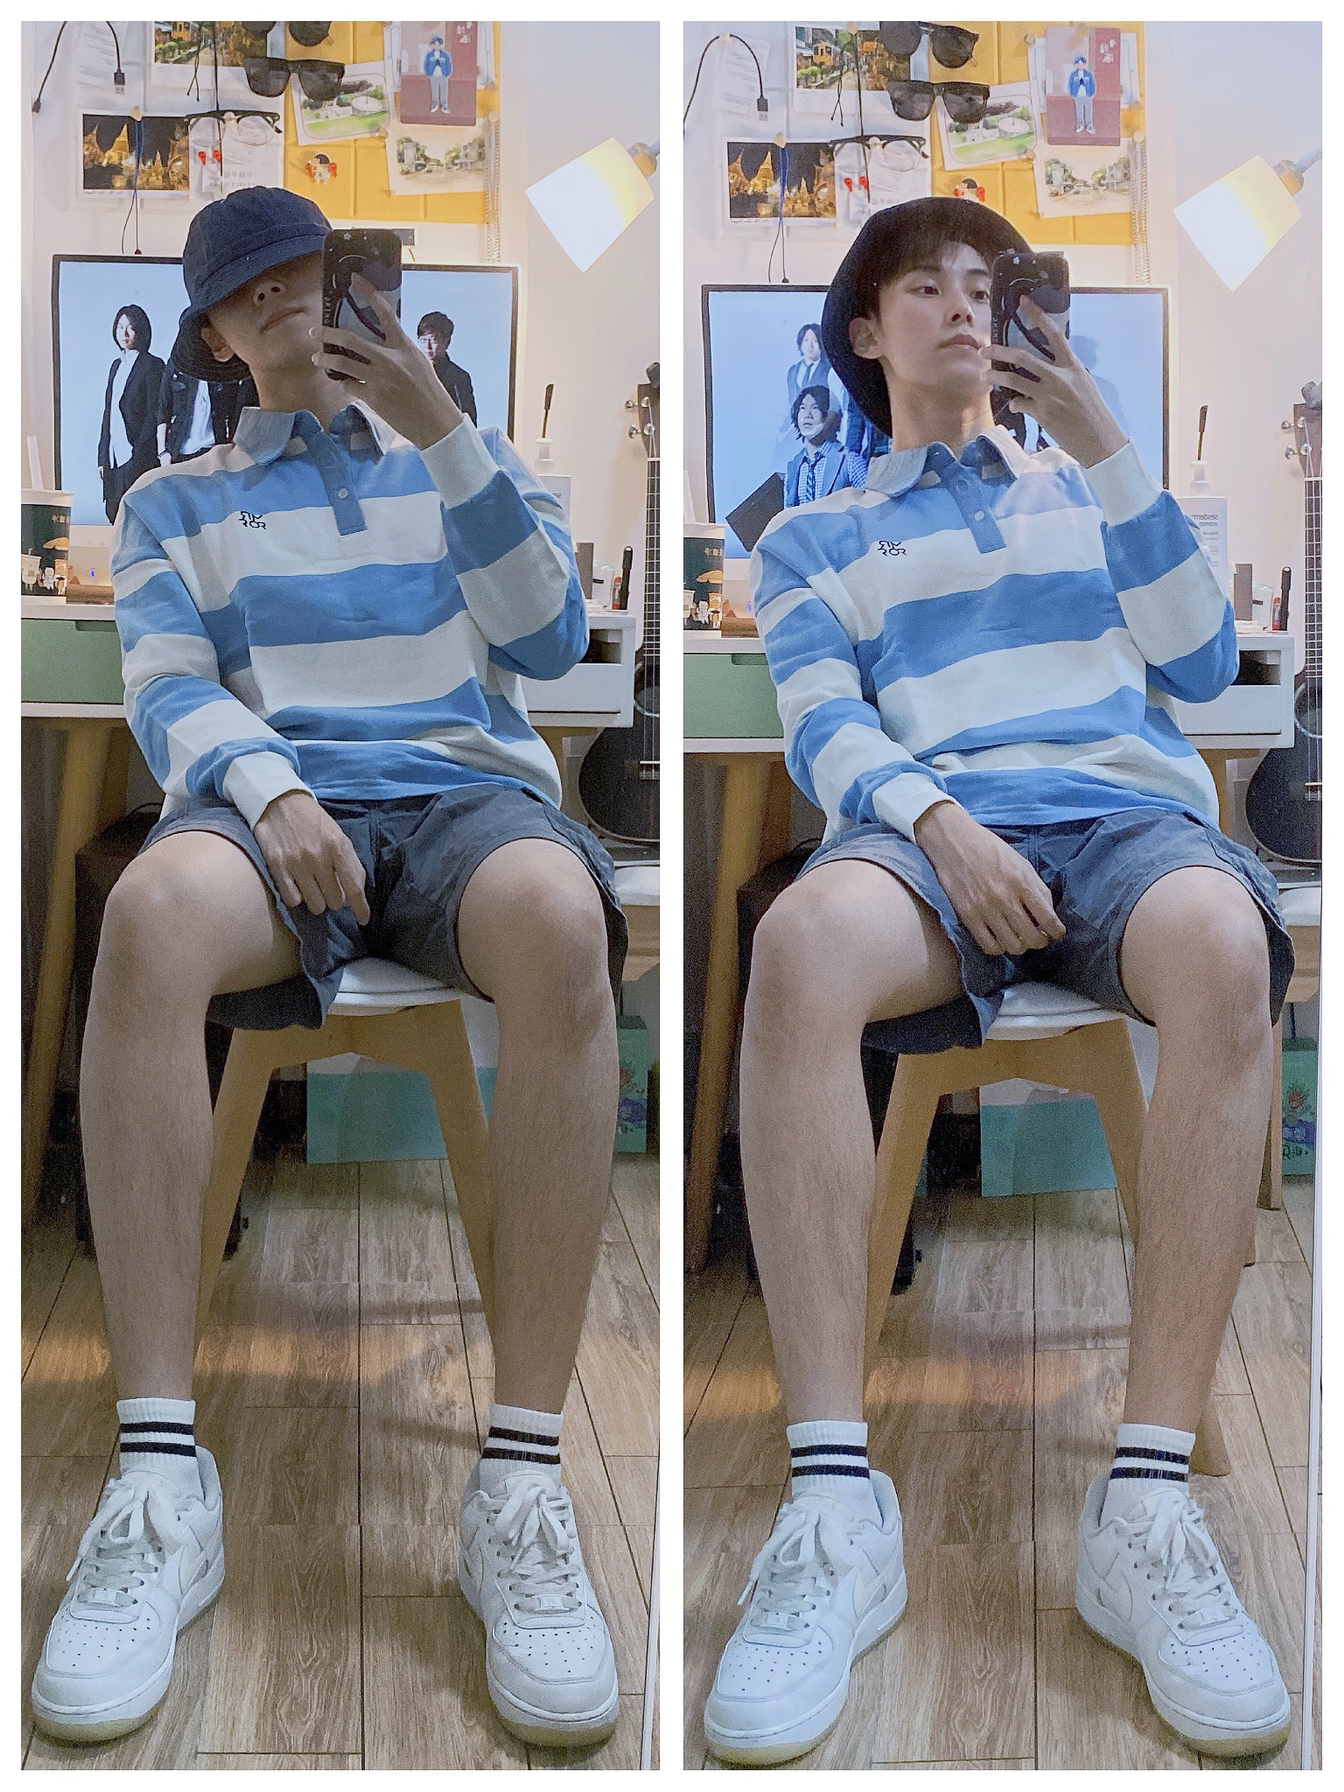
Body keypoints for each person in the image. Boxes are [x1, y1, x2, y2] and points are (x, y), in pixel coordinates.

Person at [31, 186, 626, 1753]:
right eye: (251, 288)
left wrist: (447, 434)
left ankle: (522, 1477)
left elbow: (550, 640)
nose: (288, 295)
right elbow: (166, 687)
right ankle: (159, 1475)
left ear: (359, 280)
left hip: (463, 799)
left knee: (563, 920)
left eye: (310, 266)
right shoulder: (172, 501)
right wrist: (268, 784)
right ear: (215, 336)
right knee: (147, 918)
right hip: (273, 806)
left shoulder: (472, 458)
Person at [702, 197, 1293, 1766]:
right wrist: (938, 824)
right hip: (932, 830)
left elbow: (1200, 666)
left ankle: (1146, 1507)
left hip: (1123, 824)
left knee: (1227, 945)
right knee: (797, 943)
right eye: (927, 287)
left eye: (987, 285)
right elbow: (826, 723)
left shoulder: (1096, 492)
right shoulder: (813, 535)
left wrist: (1104, 440)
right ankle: (834, 1503)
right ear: (865, 331)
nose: (967, 307)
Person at [97, 304, 166, 523]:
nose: (124, 333)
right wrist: (102, 456)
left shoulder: (152, 365)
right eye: (120, 327)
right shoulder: (115, 366)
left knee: (137, 516)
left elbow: (155, 413)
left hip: (137, 454)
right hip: (115, 457)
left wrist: (140, 454)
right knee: (114, 513)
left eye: (131, 327)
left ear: (141, 330)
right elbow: (108, 413)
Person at [155, 364, 259, 464]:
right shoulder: (177, 365)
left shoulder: (224, 367)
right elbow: (164, 407)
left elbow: (233, 409)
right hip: (179, 450)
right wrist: (162, 452)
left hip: (213, 449)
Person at [783, 384, 866, 506]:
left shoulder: (850, 461)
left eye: (815, 408)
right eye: (802, 408)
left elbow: (869, 508)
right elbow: (788, 513)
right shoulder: (792, 468)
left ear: (828, 416)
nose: (807, 415)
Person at [417, 309, 478, 424]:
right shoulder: (413, 370)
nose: (427, 346)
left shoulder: (459, 377)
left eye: (433, 340)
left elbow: (469, 422)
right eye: (423, 340)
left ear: (447, 342)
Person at [423, 33, 452, 113]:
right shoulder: (429, 55)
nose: (437, 46)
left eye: (439, 44)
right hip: (433, 75)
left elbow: (448, 64)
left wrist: (447, 73)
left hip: (443, 75)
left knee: (444, 90)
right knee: (434, 89)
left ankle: (444, 104)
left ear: (441, 45)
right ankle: (435, 103)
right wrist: (428, 72)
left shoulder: (445, 55)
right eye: (435, 44)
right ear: (432, 45)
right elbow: (426, 64)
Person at [1070, 52, 1097, 134]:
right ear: (1076, 65)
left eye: (1082, 64)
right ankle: (1080, 124)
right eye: (1078, 64)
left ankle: (1089, 125)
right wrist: (1072, 93)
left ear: (1085, 64)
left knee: (1088, 110)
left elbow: (1092, 84)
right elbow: (1070, 84)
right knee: (1079, 110)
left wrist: (1092, 93)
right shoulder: (1073, 74)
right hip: (1077, 95)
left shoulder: (1088, 74)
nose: (1080, 66)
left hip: (1087, 95)